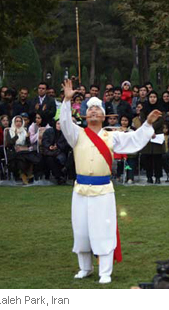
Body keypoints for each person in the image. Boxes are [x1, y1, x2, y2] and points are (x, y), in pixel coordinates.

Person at [60, 79, 161, 284]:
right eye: (90, 109)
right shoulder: (76, 134)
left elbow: (134, 140)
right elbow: (64, 123)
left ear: (104, 115)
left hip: (103, 191)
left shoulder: (112, 136)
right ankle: (84, 268)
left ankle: (104, 272)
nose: (94, 112)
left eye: (98, 109)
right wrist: (66, 101)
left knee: (103, 230)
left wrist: (148, 123)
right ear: (85, 114)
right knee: (81, 230)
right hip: (80, 191)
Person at [141, 91, 164, 184]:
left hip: (157, 135)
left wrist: (152, 129)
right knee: (147, 158)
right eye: (151, 97)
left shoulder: (160, 109)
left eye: (154, 97)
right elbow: (143, 120)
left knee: (158, 158)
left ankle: (158, 177)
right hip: (147, 136)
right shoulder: (144, 109)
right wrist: (149, 131)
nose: (152, 99)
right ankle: (149, 177)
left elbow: (161, 121)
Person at [41, 119, 70, 184]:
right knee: (49, 159)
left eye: (61, 124)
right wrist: (49, 146)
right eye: (58, 124)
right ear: (55, 124)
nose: (59, 126)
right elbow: (44, 141)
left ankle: (60, 177)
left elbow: (67, 144)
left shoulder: (66, 133)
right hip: (49, 151)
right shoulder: (49, 131)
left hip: (61, 151)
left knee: (58, 159)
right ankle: (59, 177)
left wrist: (58, 146)